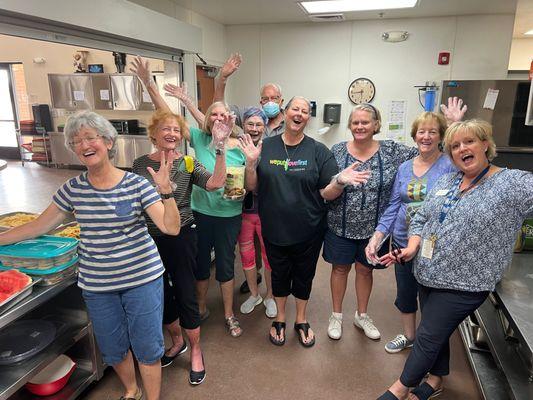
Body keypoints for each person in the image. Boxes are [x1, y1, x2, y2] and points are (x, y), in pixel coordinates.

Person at [0, 111, 180, 400]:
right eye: (75, 140)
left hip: (142, 280)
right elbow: (38, 225)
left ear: (108, 142)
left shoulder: (137, 184)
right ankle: (131, 390)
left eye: (89, 137)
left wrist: (166, 192)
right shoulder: (72, 189)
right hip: (98, 286)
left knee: (147, 346)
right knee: (113, 345)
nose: (83, 144)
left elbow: (170, 228)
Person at [377, 119, 533, 400]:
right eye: (455, 146)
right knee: (433, 329)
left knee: (427, 335)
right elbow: (422, 217)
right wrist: (412, 247)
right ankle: (435, 380)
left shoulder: (512, 183)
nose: (462, 149)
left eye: (469, 141)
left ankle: (398, 390)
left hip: (465, 282)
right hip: (427, 272)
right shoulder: (449, 180)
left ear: (486, 144)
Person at [240, 96, 370, 347]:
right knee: (278, 274)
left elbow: (326, 192)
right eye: (294, 109)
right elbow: (252, 187)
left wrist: (340, 181)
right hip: (274, 226)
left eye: (304, 111)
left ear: (307, 118)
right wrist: (251, 163)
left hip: (308, 229)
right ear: (285, 112)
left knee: (303, 275)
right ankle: (279, 318)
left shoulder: (318, 151)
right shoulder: (265, 146)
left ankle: (300, 319)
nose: (299, 114)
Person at [131, 57, 246, 338]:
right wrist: (149, 84)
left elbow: (224, 181)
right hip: (194, 215)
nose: (219, 119)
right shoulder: (194, 138)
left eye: (225, 116)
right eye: (214, 116)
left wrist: (236, 159)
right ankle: (197, 310)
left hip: (221, 215)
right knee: (196, 268)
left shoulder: (232, 146)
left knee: (221, 266)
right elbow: (168, 119)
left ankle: (221, 316)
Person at [132, 109, 231, 383]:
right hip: (149, 239)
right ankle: (177, 341)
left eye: (176, 130)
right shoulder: (140, 164)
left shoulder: (187, 163)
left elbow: (215, 183)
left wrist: (220, 149)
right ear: (154, 134)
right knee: (160, 291)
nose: (173, 134)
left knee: (186, 291)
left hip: (183, 235)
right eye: (167, 129)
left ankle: (196, 350)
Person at [365, 109, 463, 354]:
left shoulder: (450, 166)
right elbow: (394, 206)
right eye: (422, 132)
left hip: (434, 245)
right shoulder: (405, 168)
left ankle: (428, 344)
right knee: (406, 291)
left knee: (431, 297)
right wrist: (377, 236)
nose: (426, 136)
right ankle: (409, 336)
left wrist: (457, 125)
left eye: (432, 132)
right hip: (401, 240)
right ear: (414, 136)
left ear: (441, 135)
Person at [323, 103, 418, 342]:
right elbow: (325, 191)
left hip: (376, 229)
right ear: (349, 125)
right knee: (340, 269)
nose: (360, 126)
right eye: (355, 122)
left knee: (365, 271)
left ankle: (362, 315)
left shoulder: (391, 151)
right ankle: (336, 316)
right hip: (340, 225)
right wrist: (341, 180)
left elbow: (427, 152)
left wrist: (448, 126)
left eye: (365, 122)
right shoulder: (337, 151)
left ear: (376, 125)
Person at [237, 107, 276, 318]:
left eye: (258, 124)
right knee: (246, 254)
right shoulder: (236, 146)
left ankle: (270, 296)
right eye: (250, 124)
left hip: (267, 211)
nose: (254, 129)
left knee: (268, 255)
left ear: (265, 126)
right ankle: (254, 294)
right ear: (243, 125)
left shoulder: (271, 147)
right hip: (243, 211)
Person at [214, 53, 285, 138]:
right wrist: (222, 78)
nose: (270, 102)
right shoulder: (250, 116)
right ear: (261, 102)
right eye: (265, 99)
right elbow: (219, 107)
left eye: (274, 98)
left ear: (281, 101)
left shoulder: (291, 122)